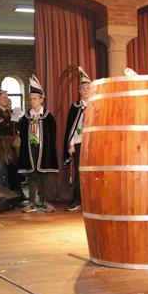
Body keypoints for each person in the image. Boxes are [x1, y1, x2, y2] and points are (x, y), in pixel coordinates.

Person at [17, 75, 59, 213]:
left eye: (35, 99)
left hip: (43, 150)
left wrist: (48, 149)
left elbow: (52, 135)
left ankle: (45, 201)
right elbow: (22, 134)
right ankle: (31, 203)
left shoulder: (47, 116)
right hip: (31, 149)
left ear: (41, 99)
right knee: (32, 175)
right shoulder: (26, 117)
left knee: (44, 175)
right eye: (30, 99)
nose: (32, 101)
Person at [62, 67, 93, 212]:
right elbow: (71, 128)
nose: (85, 90)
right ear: (79, 91)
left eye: (88, 88)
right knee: (79, 173)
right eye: (83, 88)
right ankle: (78, 200)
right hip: (79, 143)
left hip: (93, 144)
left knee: (93, 172)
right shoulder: (75, 107)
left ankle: (91, 200)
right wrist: (71, 145)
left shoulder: (96, 105)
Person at [0, 88, 22, 194]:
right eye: (3, 97)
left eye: (6, 97)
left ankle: (13, 191)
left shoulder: (11, 112)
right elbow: (0, 127)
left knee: (13, 169)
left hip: (12, 144)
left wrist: (16, 120)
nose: (5, 99)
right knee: (1, 168)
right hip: (1, 145)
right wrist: (10, 121)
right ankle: (0, 193)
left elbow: (14, 126)